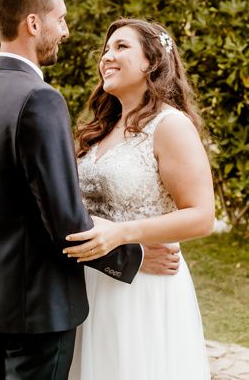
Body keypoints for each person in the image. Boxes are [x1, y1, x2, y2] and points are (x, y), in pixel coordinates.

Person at [0, 0, 147, 380]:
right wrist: (135, 255)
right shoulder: (40, 99)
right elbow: (63, 220)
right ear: (34, 23)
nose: (66, 30)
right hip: (38, 310)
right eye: (60, 19)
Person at [64, 19, 215, 380]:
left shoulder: (170, 125)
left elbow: (202, 216)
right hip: (91, 281)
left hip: (144, 289)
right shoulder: (98, 131)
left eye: (121, 47)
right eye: (106, 49)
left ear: (152, 61)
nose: (107, 57)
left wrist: (122, 235)